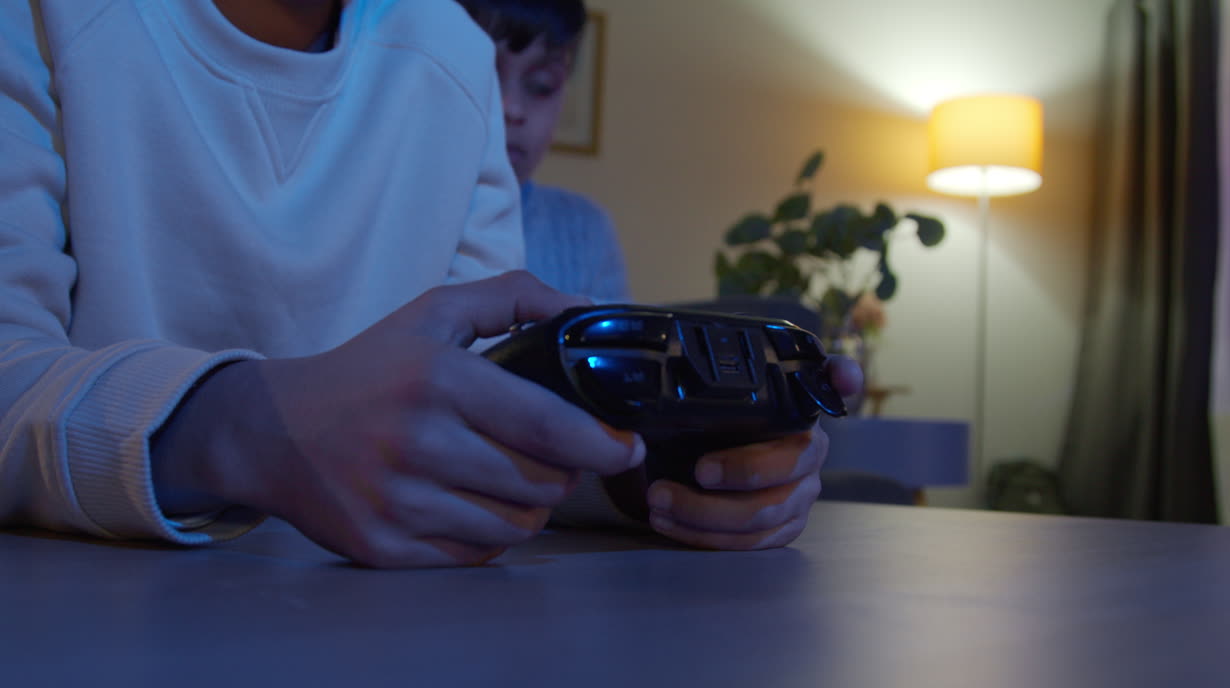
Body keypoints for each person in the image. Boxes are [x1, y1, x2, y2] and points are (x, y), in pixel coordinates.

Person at [0, 0, 860, 568]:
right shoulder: (42, 21)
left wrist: (647, 473)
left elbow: (484, 409)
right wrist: (243, 431)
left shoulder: (451, 53)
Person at [457, 0, 629, 302]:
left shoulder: (584, 230)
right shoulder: (383, 210)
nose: (512, 108)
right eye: (482, 75)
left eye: (541, 85)